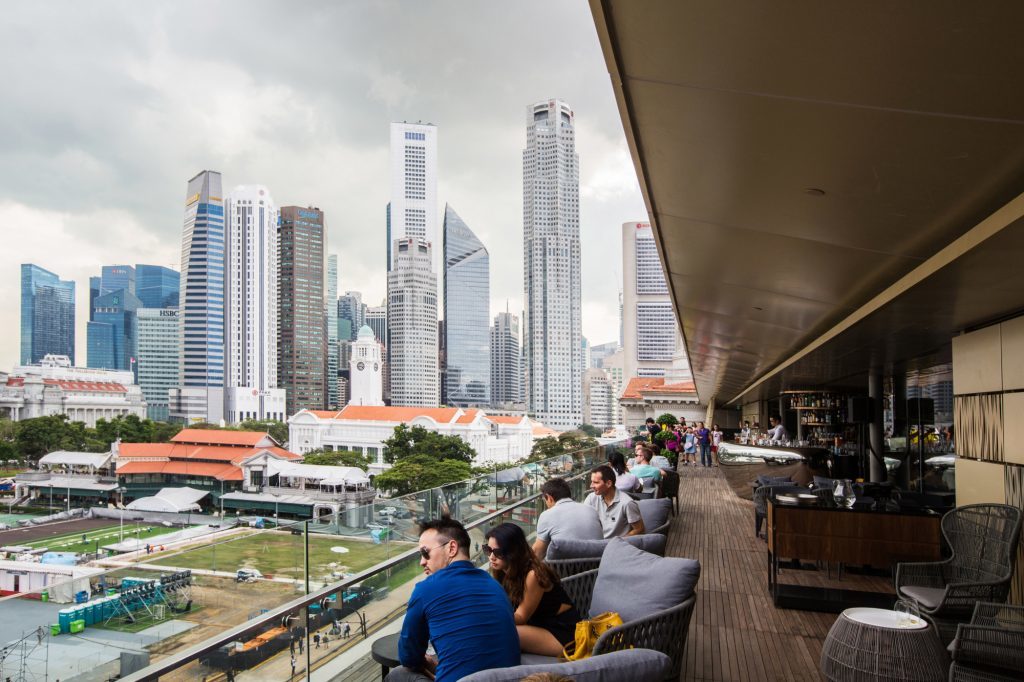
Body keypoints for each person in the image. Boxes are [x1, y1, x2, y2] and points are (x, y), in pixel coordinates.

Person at [394, 518, 519, 682]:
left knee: (397, 674)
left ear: (452, 548)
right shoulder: (495, 586)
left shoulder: (426, 589)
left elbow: (408, 656)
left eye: (425, 553)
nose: (422, 561)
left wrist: (428, 662)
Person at [485, 523, 581, 656]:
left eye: (498, 552)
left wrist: (488, 616)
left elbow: (520, 617)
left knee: (504, 631)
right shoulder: (503, 570)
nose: (491, 557)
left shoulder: (533, 575)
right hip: (538, 626)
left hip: (563, 633)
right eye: (488, 550)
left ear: (513, 552)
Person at [532, 478, 603, 558]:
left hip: (564, 569)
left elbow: (538, 553)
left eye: (545, 500)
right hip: (597, 566)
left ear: (549, 498)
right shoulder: (591, 510)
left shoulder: (546, 515)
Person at [584, 465, 645, 538]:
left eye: (596, 482)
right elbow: (584, 522)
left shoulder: (627, 503)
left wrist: (620, 541)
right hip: (595, 543)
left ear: (608, 483)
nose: (591, 486)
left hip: (616, 546)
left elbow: (639, 529)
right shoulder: (591, 498)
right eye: (592, 482)